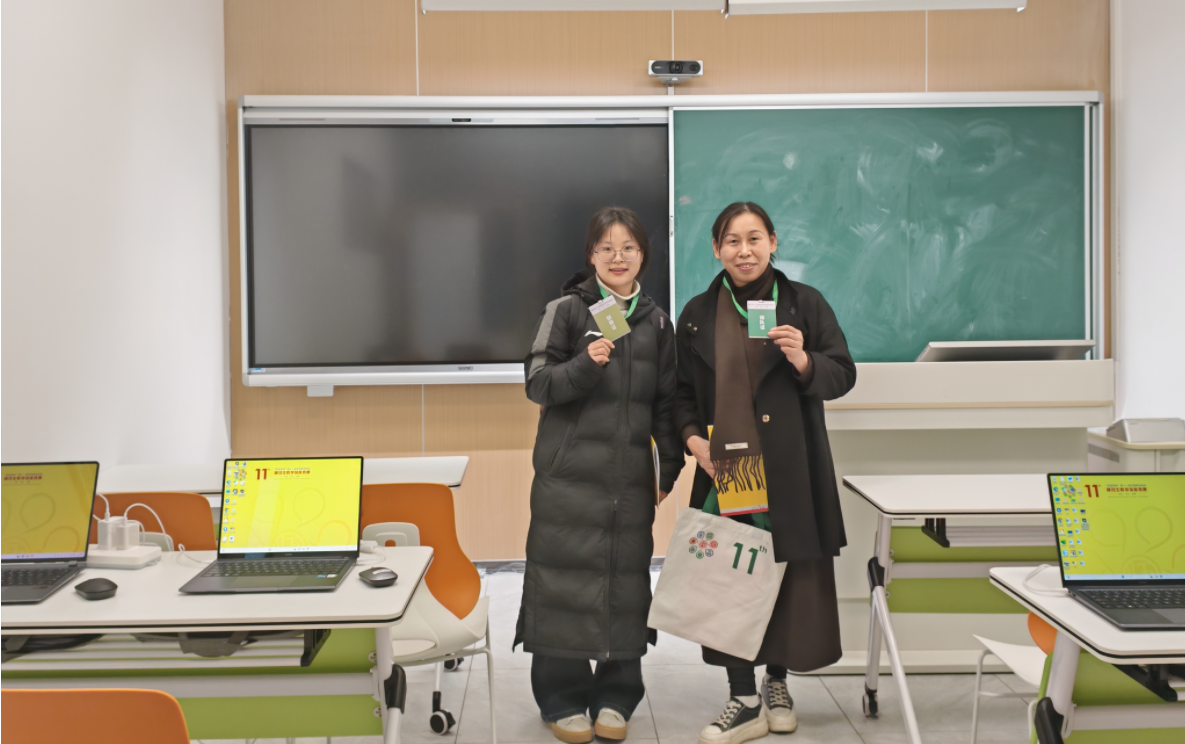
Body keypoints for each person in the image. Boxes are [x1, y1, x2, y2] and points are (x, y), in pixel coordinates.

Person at [673, 202, 856, 744]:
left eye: (754, 238)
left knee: (787, 573)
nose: (744, 250)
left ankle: (777, 683)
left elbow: (842, 374)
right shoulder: (697, 313)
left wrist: (803, 359)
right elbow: (680, 393)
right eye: (732, 241)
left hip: (790, 465)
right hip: (729, 466)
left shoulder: (805, 303)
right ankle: (744, 696)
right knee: (731, 577)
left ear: (773, 242)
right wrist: (693, 441)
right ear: (716, 249)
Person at [516, 206, 685, 744]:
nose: (618, 257)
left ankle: (617, 695)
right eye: (607, 247)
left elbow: (666, 403)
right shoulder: (566, 310)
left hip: (629, 482)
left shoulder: (658, 322)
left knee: (625, 582)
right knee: (562, 583)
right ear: (591, 254)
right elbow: (538, 383)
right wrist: (585, 365)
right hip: (568, 479)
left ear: (643, 255)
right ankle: (562, 698)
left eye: (628, 247)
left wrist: (667, 469)